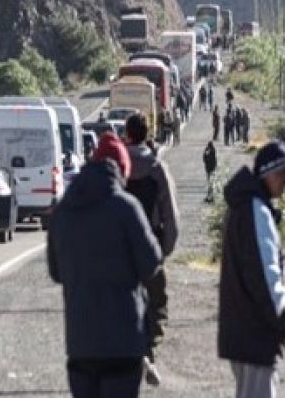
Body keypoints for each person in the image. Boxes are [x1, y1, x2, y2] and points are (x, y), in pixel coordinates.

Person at [49, 132, 162, 398]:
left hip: (80, 343)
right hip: (123, 341)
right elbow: (151, 263)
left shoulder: (64, 210)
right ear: (121, 169)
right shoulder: (126, 208)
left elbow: (56, 272)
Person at [218, 141, 285, 398]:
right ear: (269, 173)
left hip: (244, 331)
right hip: (256, 335)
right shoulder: (256, 211)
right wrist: (282, 317)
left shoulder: (245, 207)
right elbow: (266, 274)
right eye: (284, 173)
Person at [124, 115, 180, 386]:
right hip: (151, 245)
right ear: (147, 134)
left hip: (121, 249)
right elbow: (170, 214)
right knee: (156, 303)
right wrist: (165, 248)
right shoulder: (157, 168)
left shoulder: (117, 166)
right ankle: (149, 351)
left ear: (127, 134)